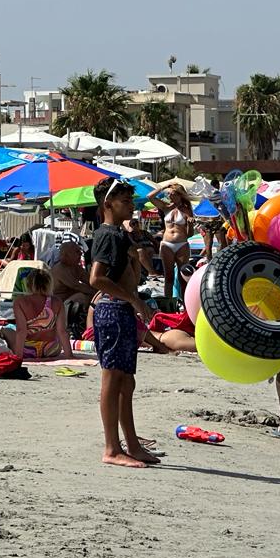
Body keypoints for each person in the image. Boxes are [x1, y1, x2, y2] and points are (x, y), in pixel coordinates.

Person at [90, 177, 156, 468]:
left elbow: (131, 273)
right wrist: (134, 300)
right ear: (108, 204)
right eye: (125, 201)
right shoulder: (108, 235)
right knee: (113, 379)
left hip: (121, 310)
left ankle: (131, 443)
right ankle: (111, 447)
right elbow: (96, 278)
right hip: (113, 310)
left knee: (126, 382)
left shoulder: (118, 235)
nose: (131, 206)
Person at [13, 269, 73, 360]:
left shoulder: (20, 302)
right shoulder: (57, 301)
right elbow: (62, 331)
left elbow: (21, 331)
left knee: (7, 331)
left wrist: (18, 357)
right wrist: (69, 355)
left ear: (28, 284)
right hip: (51, 349)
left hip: (28, 350)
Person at [146, 183, 194, 298]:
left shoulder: (186, 210)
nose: (170, 196)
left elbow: (189, 234)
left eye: (172, 194)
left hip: (181, 244)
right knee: (168, 277)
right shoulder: (165, 207)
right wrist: (163, 187)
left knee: (183, 277)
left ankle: (184, 303)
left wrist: (190, 225)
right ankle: (168, 304)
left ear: (179, 195)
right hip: (166, 244)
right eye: (169, 194)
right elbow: (150, 197)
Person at [52, 241, 94, 306]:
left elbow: (90, 280)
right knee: (82, 297)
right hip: (59, 303)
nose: (80, 253)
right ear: (67, 255)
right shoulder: (60, 269)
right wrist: (97, 293)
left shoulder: (75, 266)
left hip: (70, 298)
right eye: (77, 251)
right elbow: (77, 286)